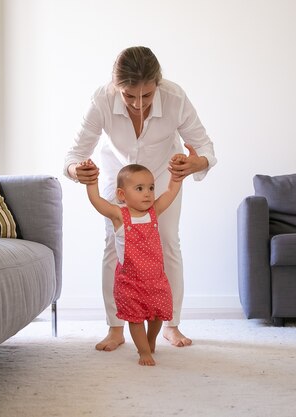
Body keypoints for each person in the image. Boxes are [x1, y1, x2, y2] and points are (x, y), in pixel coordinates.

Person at [64, 46, 217, 351]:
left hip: (161, 176)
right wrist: (78, 171)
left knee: (168, 240)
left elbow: (206, 149)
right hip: (117, 176)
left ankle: (171, 325)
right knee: (114, 245)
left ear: (157, 85)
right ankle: (115, 327)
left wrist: (195, 163)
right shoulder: (101, 100)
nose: (138, 104)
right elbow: (73, 155)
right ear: (115, 86)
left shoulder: (175, 98)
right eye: (129, 96)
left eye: (146, 96)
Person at [80, 160, 186, 365]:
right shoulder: (120, 216)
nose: (147, 193)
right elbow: (96, 200)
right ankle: (143, 351)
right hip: (131, 282)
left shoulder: (154, 213)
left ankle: (151, 340)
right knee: (135, 319)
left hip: (156, 279)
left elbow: (171, 192)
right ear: (122, 195)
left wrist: (177, 176)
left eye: (151, 188)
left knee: (157, 316)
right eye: (139, 188)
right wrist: (91, 182)